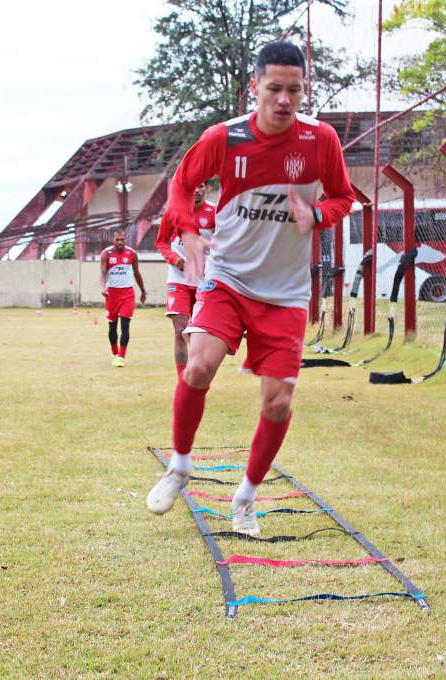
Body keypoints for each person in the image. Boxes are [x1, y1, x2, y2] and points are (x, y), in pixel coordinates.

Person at [145, 41, 354, 535]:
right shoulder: (225, 138)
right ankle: (179, 467)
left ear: (304, 91)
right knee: (197, 365)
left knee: (277, 401)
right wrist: (189, 231)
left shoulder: (320, 140)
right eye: (275, 88)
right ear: (254, 88)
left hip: (284, 292)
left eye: (294, 90)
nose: (284, 99)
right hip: (229, 277)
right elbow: (180, 184)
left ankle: (245, 498)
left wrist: (318, 214)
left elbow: (344, 197)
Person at [154, 181, 216, 377]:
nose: (196, 190)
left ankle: (197, 372)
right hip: (178, 279)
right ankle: (183, 378)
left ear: (207, 188)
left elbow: (226, 242)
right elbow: (161, 241)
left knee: (200, 333)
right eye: (193, 186)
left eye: (201, 186)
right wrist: (175, 259)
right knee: (180, 328)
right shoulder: (173, 211)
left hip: (205, 281)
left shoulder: (215, 212)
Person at [100, 229, 146, 367]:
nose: (120, 242)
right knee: (112, 327)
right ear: (113, 240)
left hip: (127, 294)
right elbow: (102, 273)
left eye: (122, 239)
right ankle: (114, 353)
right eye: (117, 240)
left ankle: (121, 356)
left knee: (125, 326)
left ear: (125, 240)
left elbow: (137, 273)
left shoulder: (132, 254)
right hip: (112, 295)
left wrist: (143, 290)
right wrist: (103, 287)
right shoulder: (106, 254)